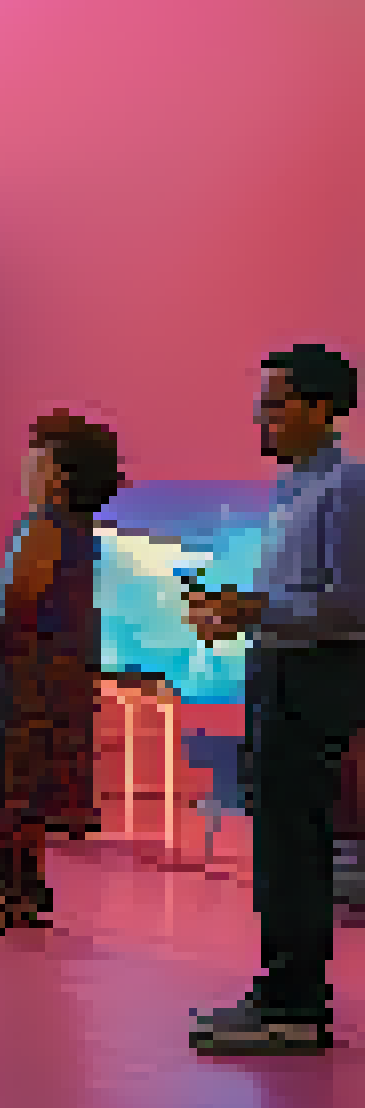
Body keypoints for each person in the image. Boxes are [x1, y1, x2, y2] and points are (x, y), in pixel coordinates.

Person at [186, 344, 365, 1054]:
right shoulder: (292, 491)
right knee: (279, 845)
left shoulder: (347, 488)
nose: (261, 415)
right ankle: (282, 991)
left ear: (323, 409)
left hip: (314, 678)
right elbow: (299, 599)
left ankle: (296, 1008)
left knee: (295, 846)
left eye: (277, 400)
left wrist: (256, 610)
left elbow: (352, 604)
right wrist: (239, 614)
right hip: (279, 671)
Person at [0, 411, 119, 935]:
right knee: (31, 785)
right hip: (61, 670)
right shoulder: (80, 530)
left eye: (40, 456)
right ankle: (24, 890)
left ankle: (11, 894)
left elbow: (17, 603)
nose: (28, 464)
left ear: (60, 474)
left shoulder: (44, 527)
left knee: (11, 782)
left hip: (29, 672)